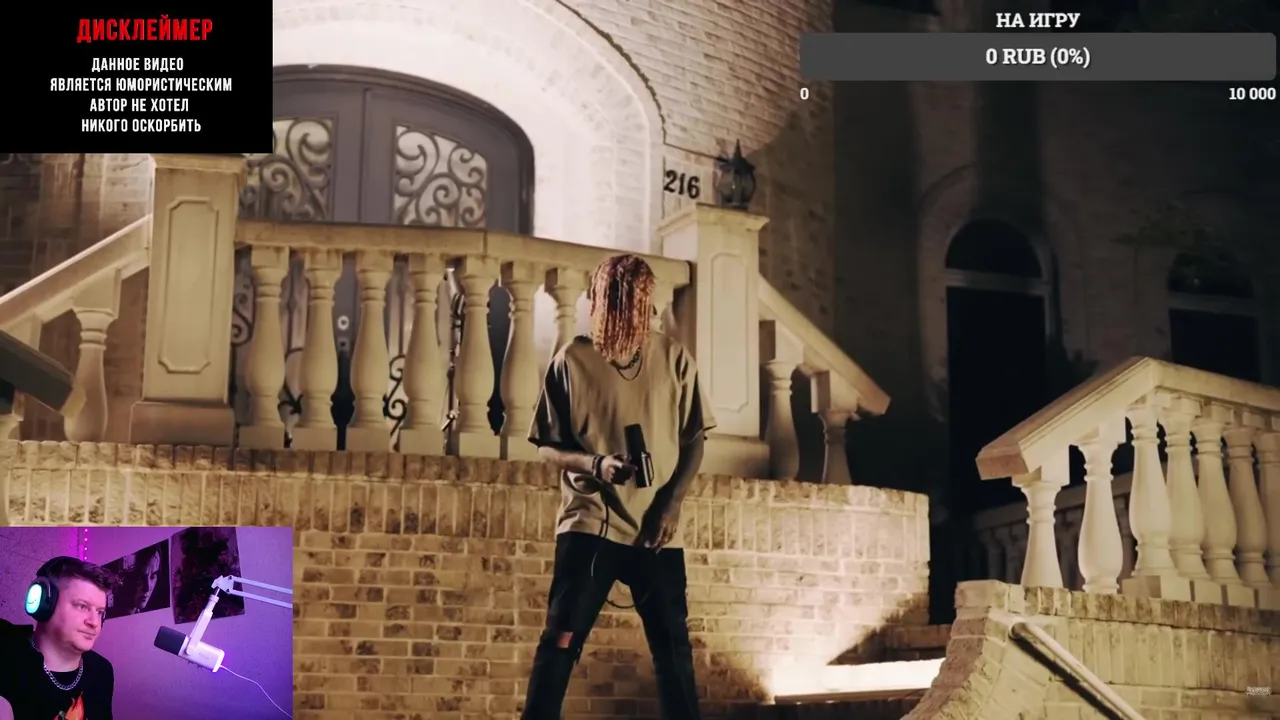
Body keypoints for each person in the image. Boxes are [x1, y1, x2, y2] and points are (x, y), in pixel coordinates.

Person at [522, 254, 714, 719]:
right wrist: (597, 464)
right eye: (621, 299)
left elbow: (695, 441)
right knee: (561, 640)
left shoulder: (674, 358)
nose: (635, 310)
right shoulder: (572, 360)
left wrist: (671, 504)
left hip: (656, 530)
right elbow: (547, 447)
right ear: (601, 300)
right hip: (591, 523)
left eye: (640, 301)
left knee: (673, 651)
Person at [0, 556, 115, 720]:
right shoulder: (8, 658)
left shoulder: (102, 670)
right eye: (82, 606)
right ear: (43, 603)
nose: (95, 622)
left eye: (99, 612)